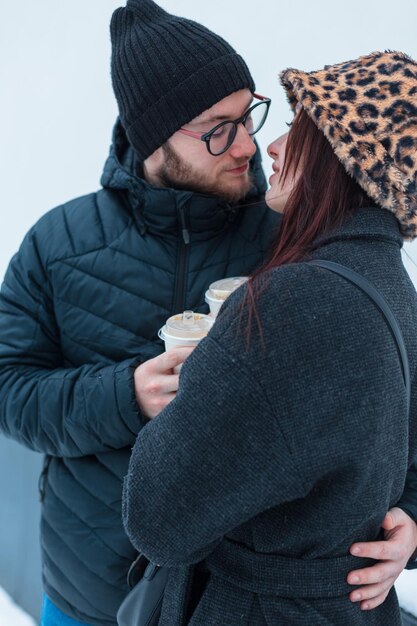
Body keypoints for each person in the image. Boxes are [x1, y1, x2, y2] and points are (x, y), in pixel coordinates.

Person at [0, 0, 413, 619]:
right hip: (84, 589)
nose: (247, 143)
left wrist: (411, 510)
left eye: (249, 116)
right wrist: (124, 396)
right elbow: (10, 389)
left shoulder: (292, 240)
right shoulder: (58, 244)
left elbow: (386, 398)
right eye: (218, 127)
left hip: (212, 601)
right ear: (154, 134)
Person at [122, 50, 417, 625]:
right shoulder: (393, 286)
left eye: (297, 130)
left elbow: (157, 519)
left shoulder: (298, 301)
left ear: (347, 157)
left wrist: (208, 371)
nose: (271, 148)